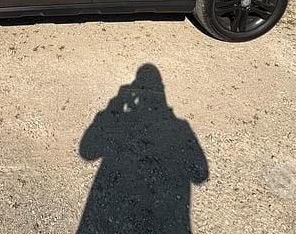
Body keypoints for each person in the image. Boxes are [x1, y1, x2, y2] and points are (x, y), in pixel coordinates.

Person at [77, 64, 208, 234]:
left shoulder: (178, 127)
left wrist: (115, 104)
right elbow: (200, 175)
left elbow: (87, 152)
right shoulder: (181, 128)